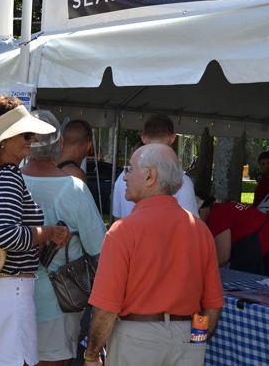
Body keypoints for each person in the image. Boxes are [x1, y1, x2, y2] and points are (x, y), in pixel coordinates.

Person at [83, 144, 223, 366]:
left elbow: (106, 308)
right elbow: (213, 304)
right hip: (186, 337)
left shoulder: (123, 231)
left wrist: (91, 355)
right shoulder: (200, 230)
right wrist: (196, 340)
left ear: (150, 176)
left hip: (136, 338)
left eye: (129, 169)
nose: (125, 177)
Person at [0, 95, 70, 366]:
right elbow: (5, 234)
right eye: (24, 134)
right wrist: (46, 232)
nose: (31, 140)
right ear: (4, 138)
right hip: (6, 291)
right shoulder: (8, 175)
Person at [21, 110, 106, 366]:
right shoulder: (73, 188)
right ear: (59, 144)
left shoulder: (8, 181)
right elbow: (98, 248)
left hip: (8, 295)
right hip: (58, 299)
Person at [112, 114, 198, 218]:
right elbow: (190, 224)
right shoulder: (182, 180)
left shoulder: (123, 178)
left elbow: (117, 219)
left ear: (143, 137)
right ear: (172, 138)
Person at [200, 197, 269, 279]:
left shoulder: (217, 214)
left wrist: (201, 270)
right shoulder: (224, 208)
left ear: (203, 209)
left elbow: (223, 257)